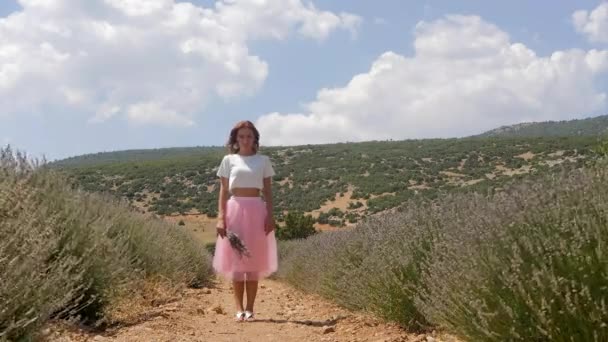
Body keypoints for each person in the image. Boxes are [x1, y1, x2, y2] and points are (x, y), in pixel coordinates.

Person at [212, 120, 278, 322]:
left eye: (249, 136)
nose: (245, 140)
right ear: (235, 139)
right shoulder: (228, 160)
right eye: (241, 136)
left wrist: (271, 215)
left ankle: (250, 309)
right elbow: (223, 191)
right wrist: (221, 217)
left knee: (253, 263)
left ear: (255, 139)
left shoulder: (263, 161)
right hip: (234, 210)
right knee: (237, 261)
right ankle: (238, 308)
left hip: (257, 210)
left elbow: (267, 190)